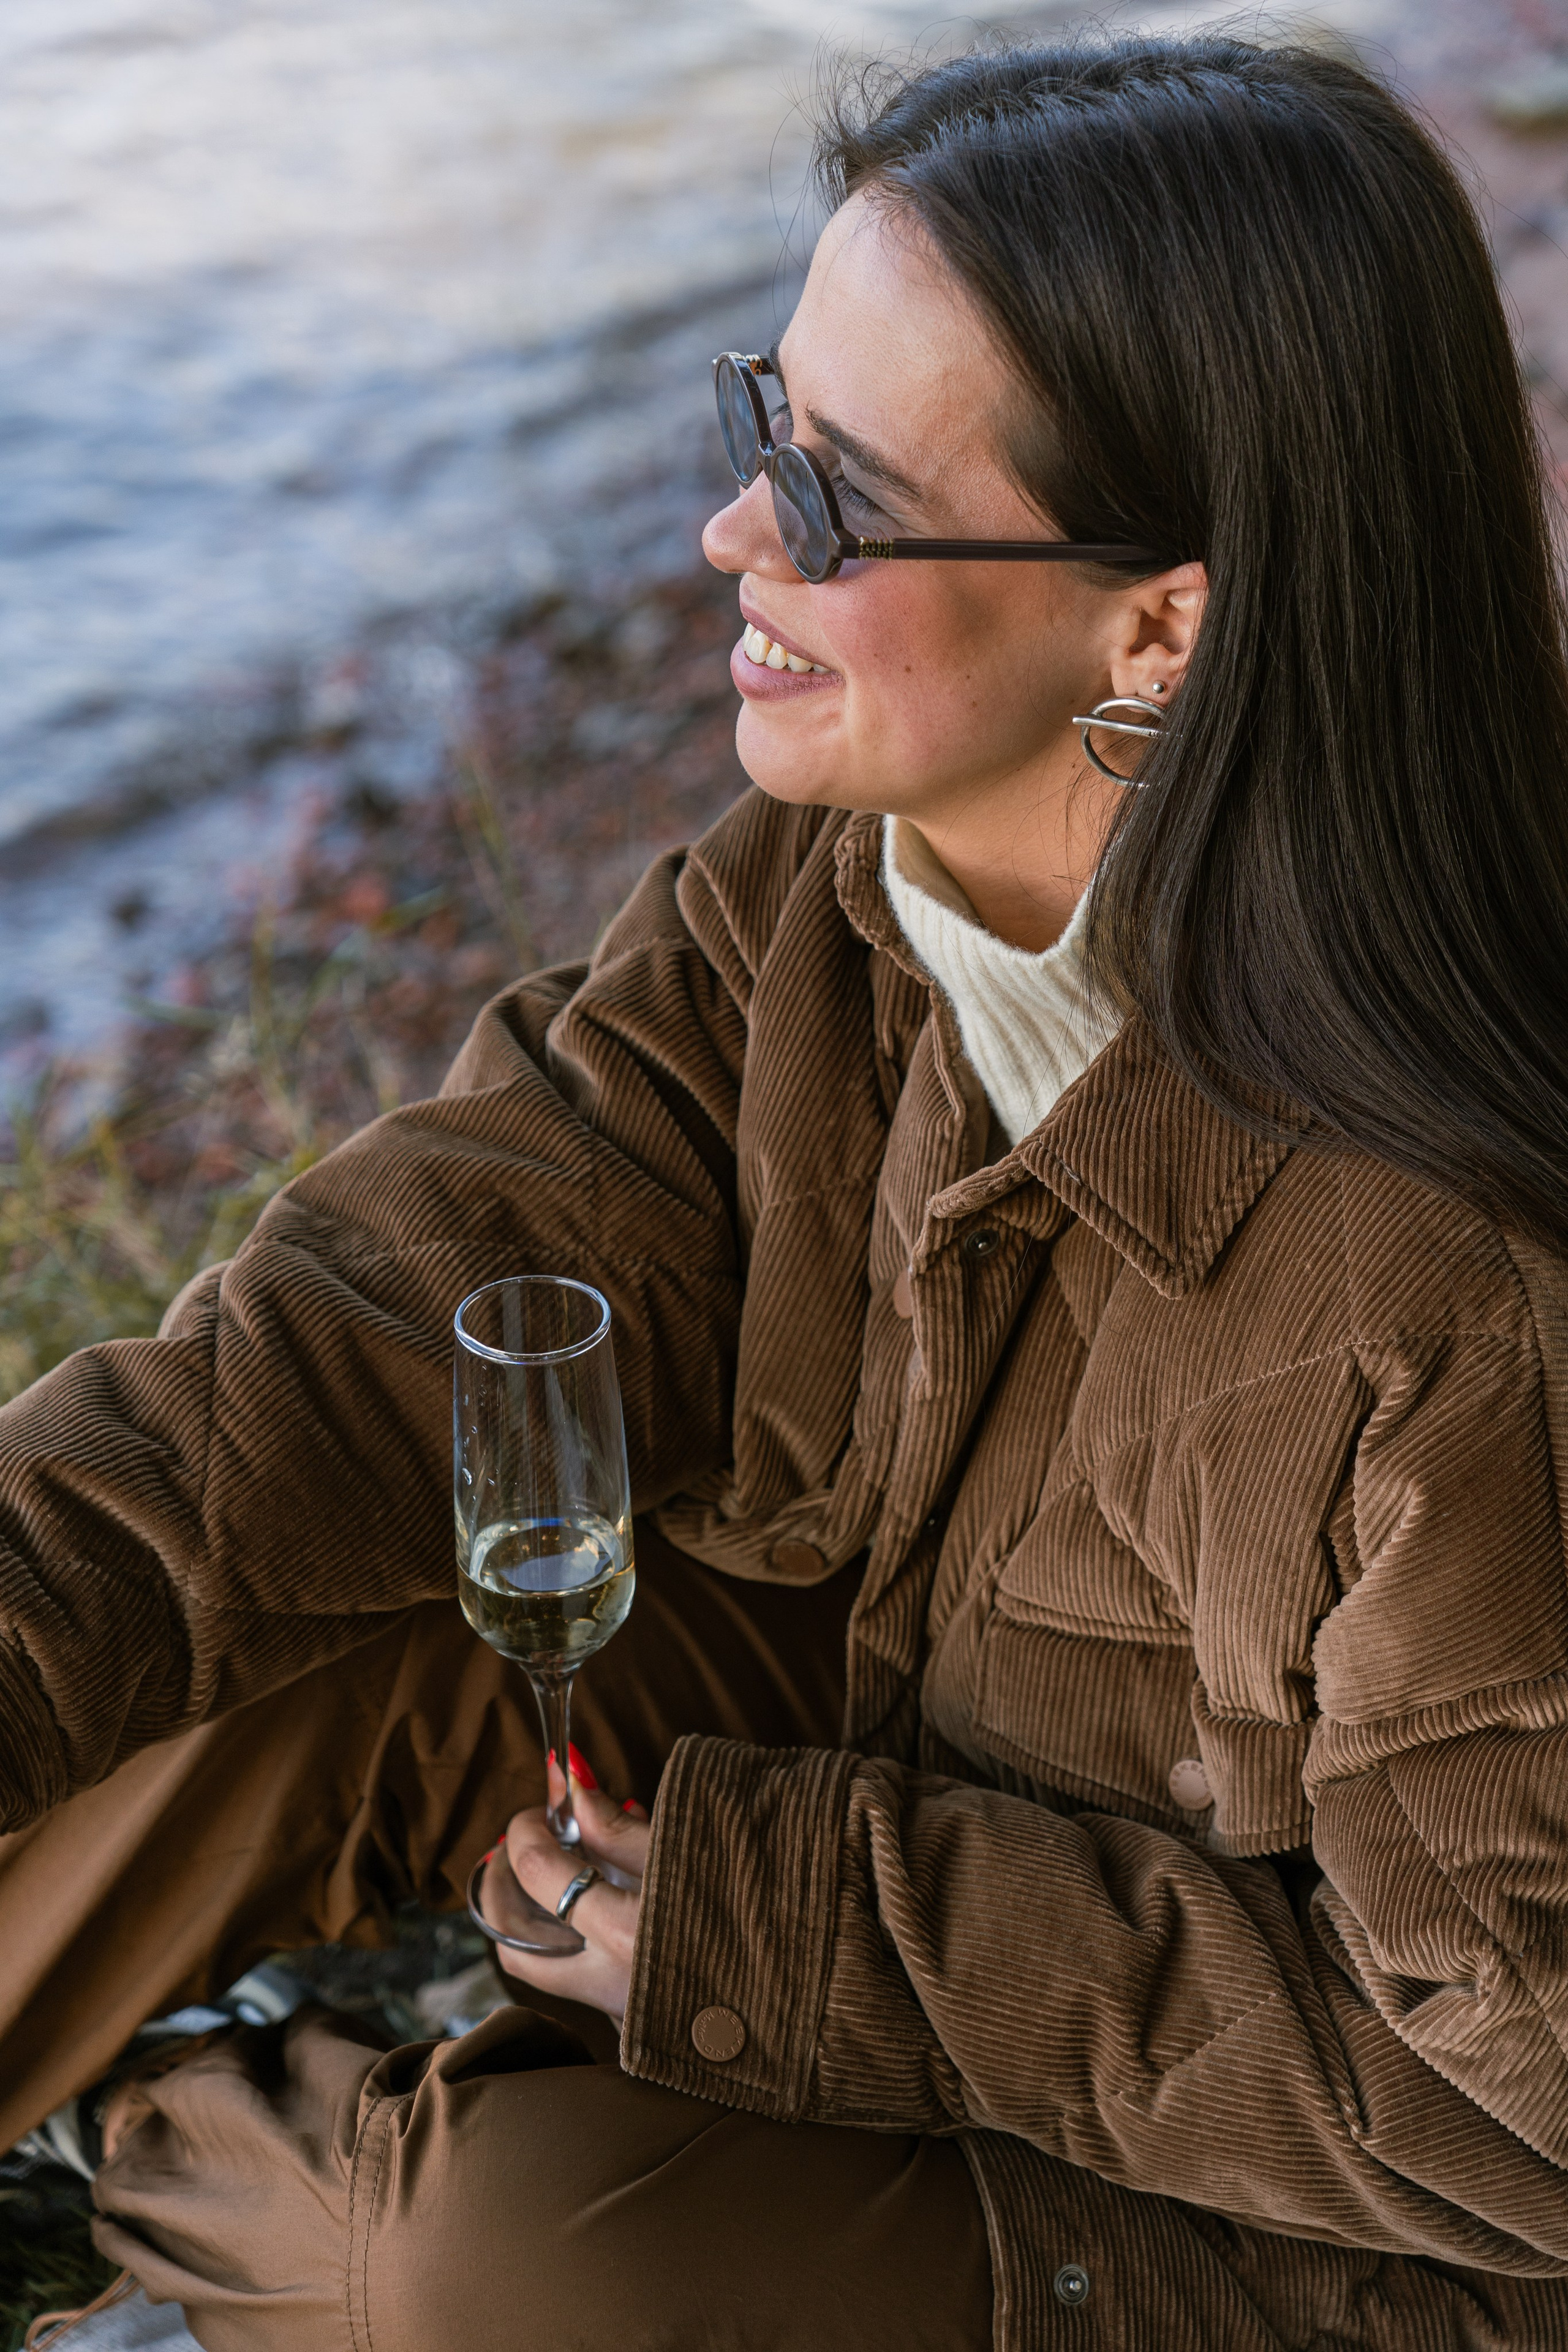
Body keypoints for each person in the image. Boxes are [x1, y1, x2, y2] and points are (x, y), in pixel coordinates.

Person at [4, 29, 1568, 2351]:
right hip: (898, 1720)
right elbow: (351, 1346)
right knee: (244, 1607)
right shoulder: (818, 903)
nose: (734, 536)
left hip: (1283, 2199)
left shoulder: (1454, 1296)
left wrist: (807, 1937)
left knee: (474, 2263)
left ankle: (144, 2165)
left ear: (1160, 623)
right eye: (765, 426)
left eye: (840, 499)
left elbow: (1514, 2114)